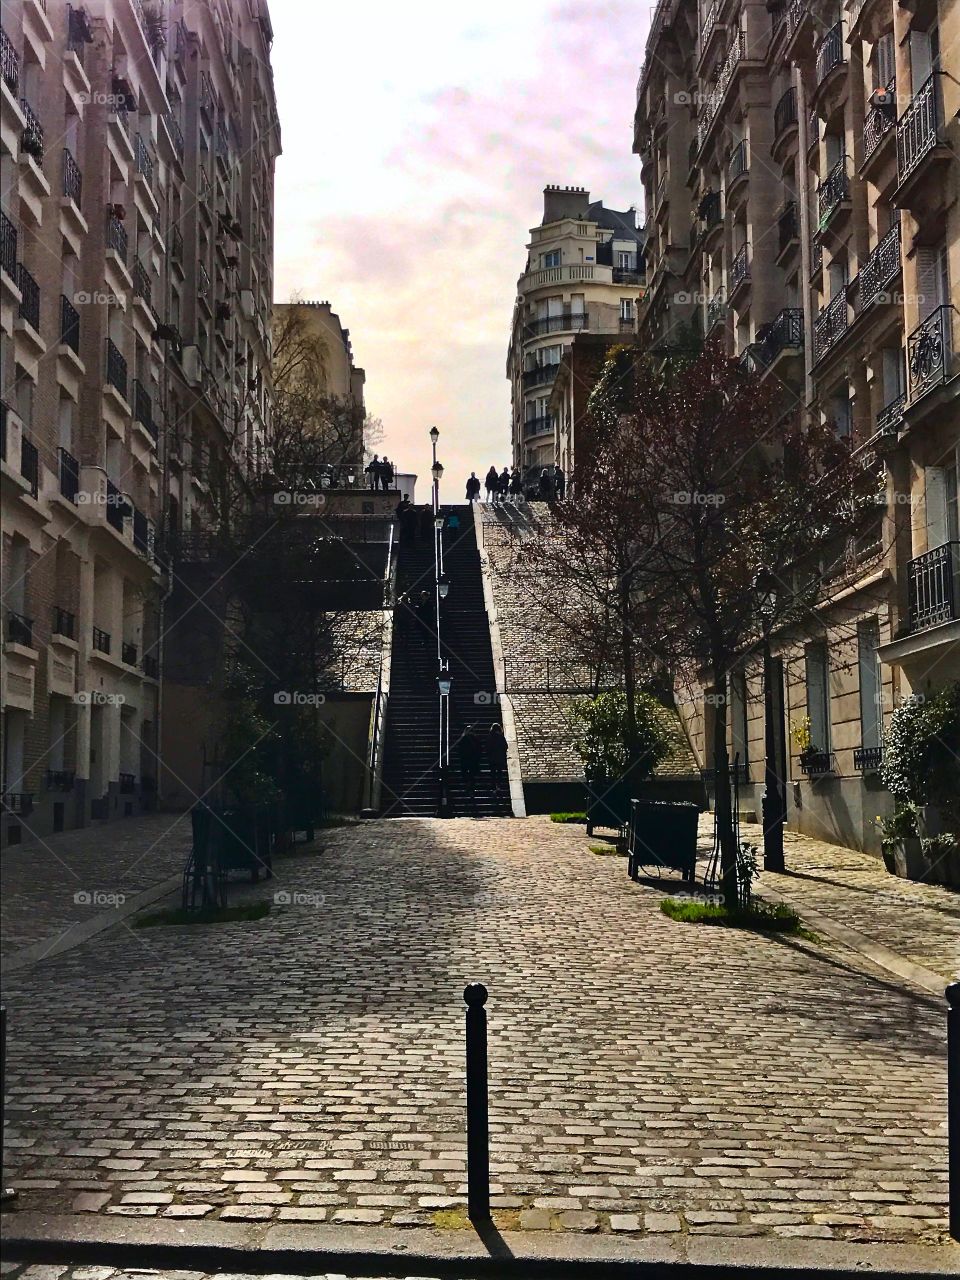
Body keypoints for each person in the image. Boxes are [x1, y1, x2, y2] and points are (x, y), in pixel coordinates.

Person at [458, 725, 483, 794]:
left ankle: (467, 784)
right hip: (473, 759)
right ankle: (472, 787)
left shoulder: (463, 739)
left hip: (465, 759)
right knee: (473, 774)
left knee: (465, 773)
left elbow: (459, 749)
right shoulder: (475, 738)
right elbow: (480, 749)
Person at [487, 723, 508, 796]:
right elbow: (505, 746)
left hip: (492, 758)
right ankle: (498, 786)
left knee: (493, 773)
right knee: (499, 772)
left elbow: (487, 748)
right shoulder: (501, 737)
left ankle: (493, 787)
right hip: (500, 758)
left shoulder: (490, 737)